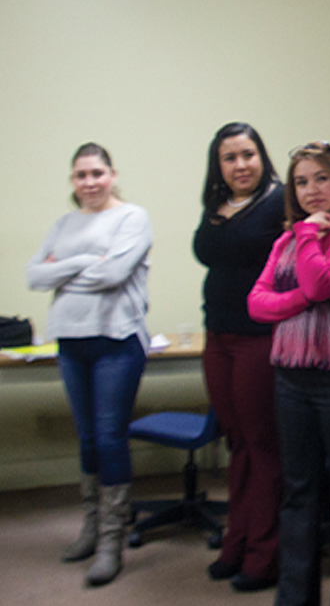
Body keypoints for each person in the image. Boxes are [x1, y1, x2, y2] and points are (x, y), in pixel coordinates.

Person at [248, 142, 330, 606]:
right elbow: (257, 302)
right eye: (301, 182)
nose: (311, 190)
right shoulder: (287, 237)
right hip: (290, 379)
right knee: (299, 494)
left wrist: (309, 241)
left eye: (321, 178)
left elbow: (323, 281)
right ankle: (294, 598)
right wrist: (301, 298)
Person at [26, 143, 153, 587]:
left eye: (97, 173)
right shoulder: (64, 223)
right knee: (87, 440)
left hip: (117, 341)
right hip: (71, 343)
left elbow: (114, 275)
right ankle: (91, 528)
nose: (90, 182)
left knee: (109, 438)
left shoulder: (132, 218)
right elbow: (33, 275)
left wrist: (63, 268)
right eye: (81, 175)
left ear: (112, 174)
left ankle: (111, 543)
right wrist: (85, 262)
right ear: (73, 181)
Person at [192, 122, 285, 592]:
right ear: (219, 165)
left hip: (258, 338)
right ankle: (237, 541)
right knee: (237, 443)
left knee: (261, 444)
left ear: (261, 156)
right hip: (218, 337)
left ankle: (264, 555)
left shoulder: (278, 201)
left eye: (247, 154)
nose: (240, 165)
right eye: (230, 158)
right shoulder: (217, 205)